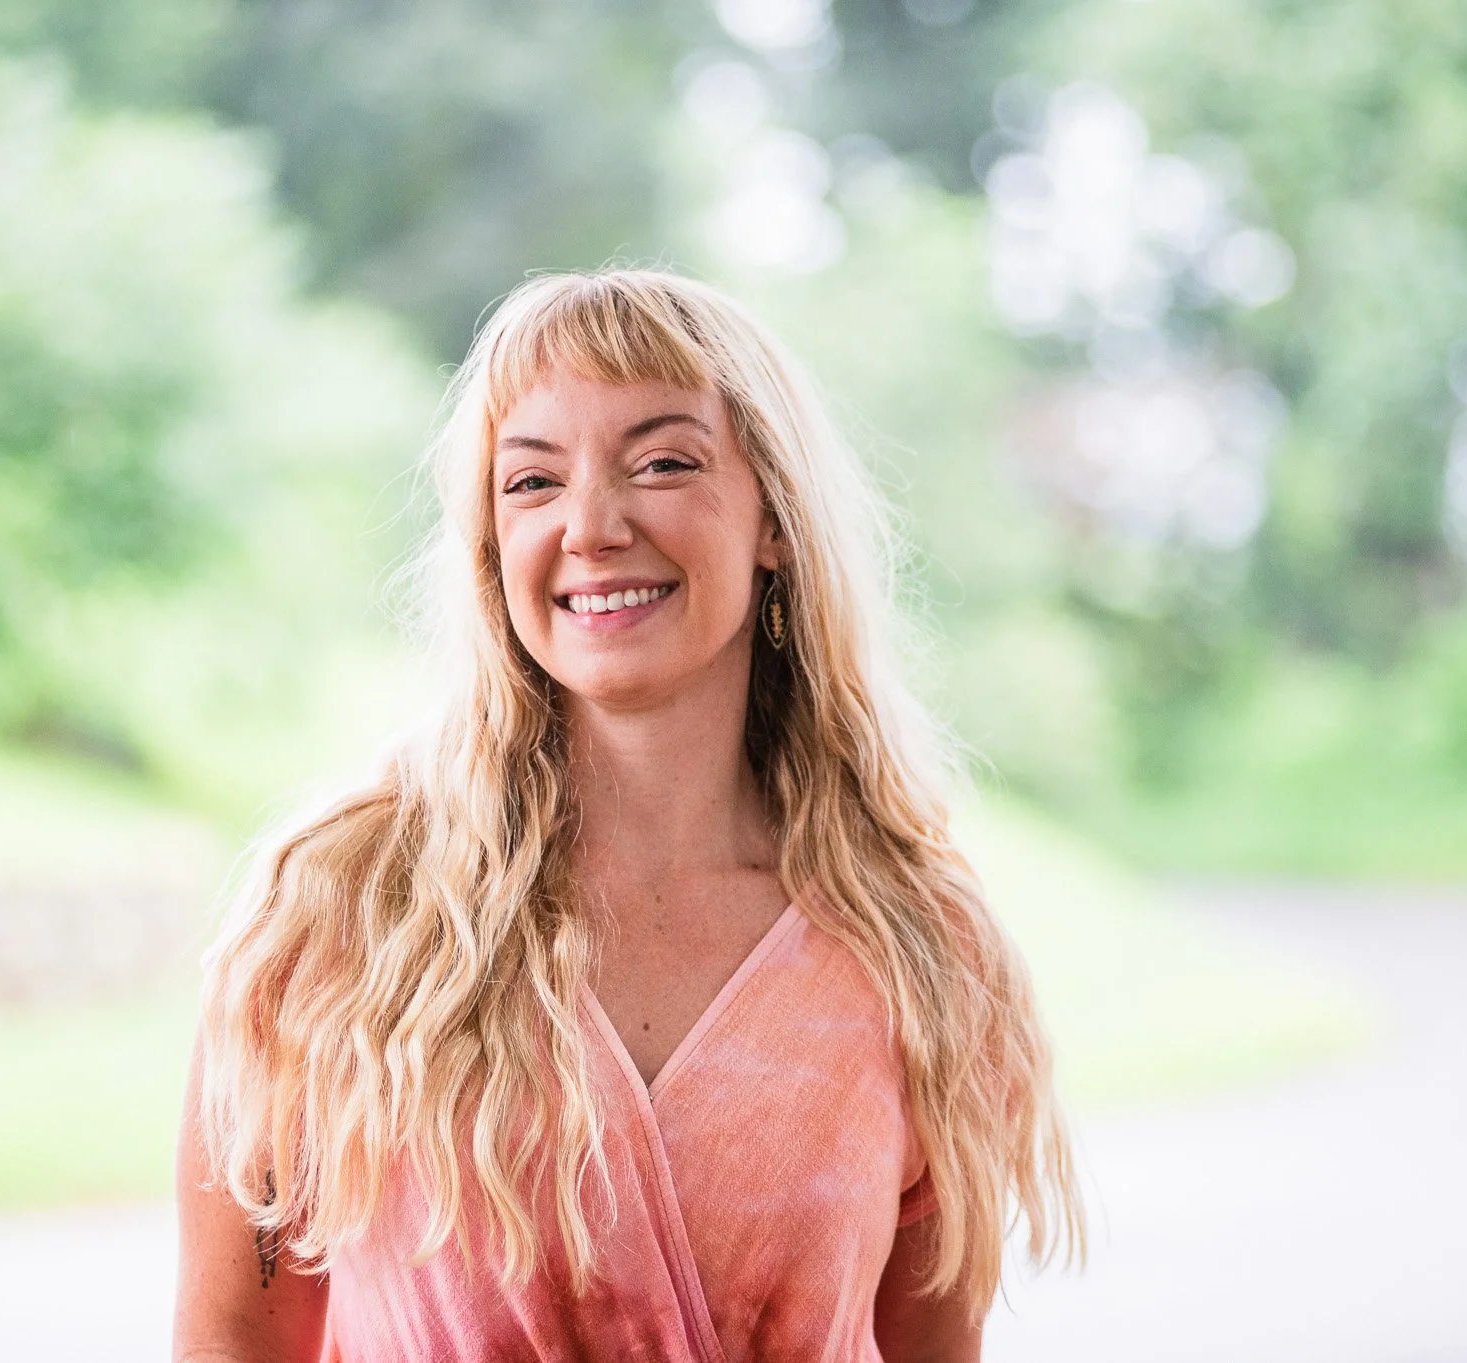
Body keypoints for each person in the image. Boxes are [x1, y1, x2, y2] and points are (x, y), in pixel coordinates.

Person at [172, 267, 1083, 1361]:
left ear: (773, 521)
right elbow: (234, 1343)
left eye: (661, 463)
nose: (591, 525)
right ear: (488, 544)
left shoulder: (920, 949)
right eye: (531, 483)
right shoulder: (341, 913)